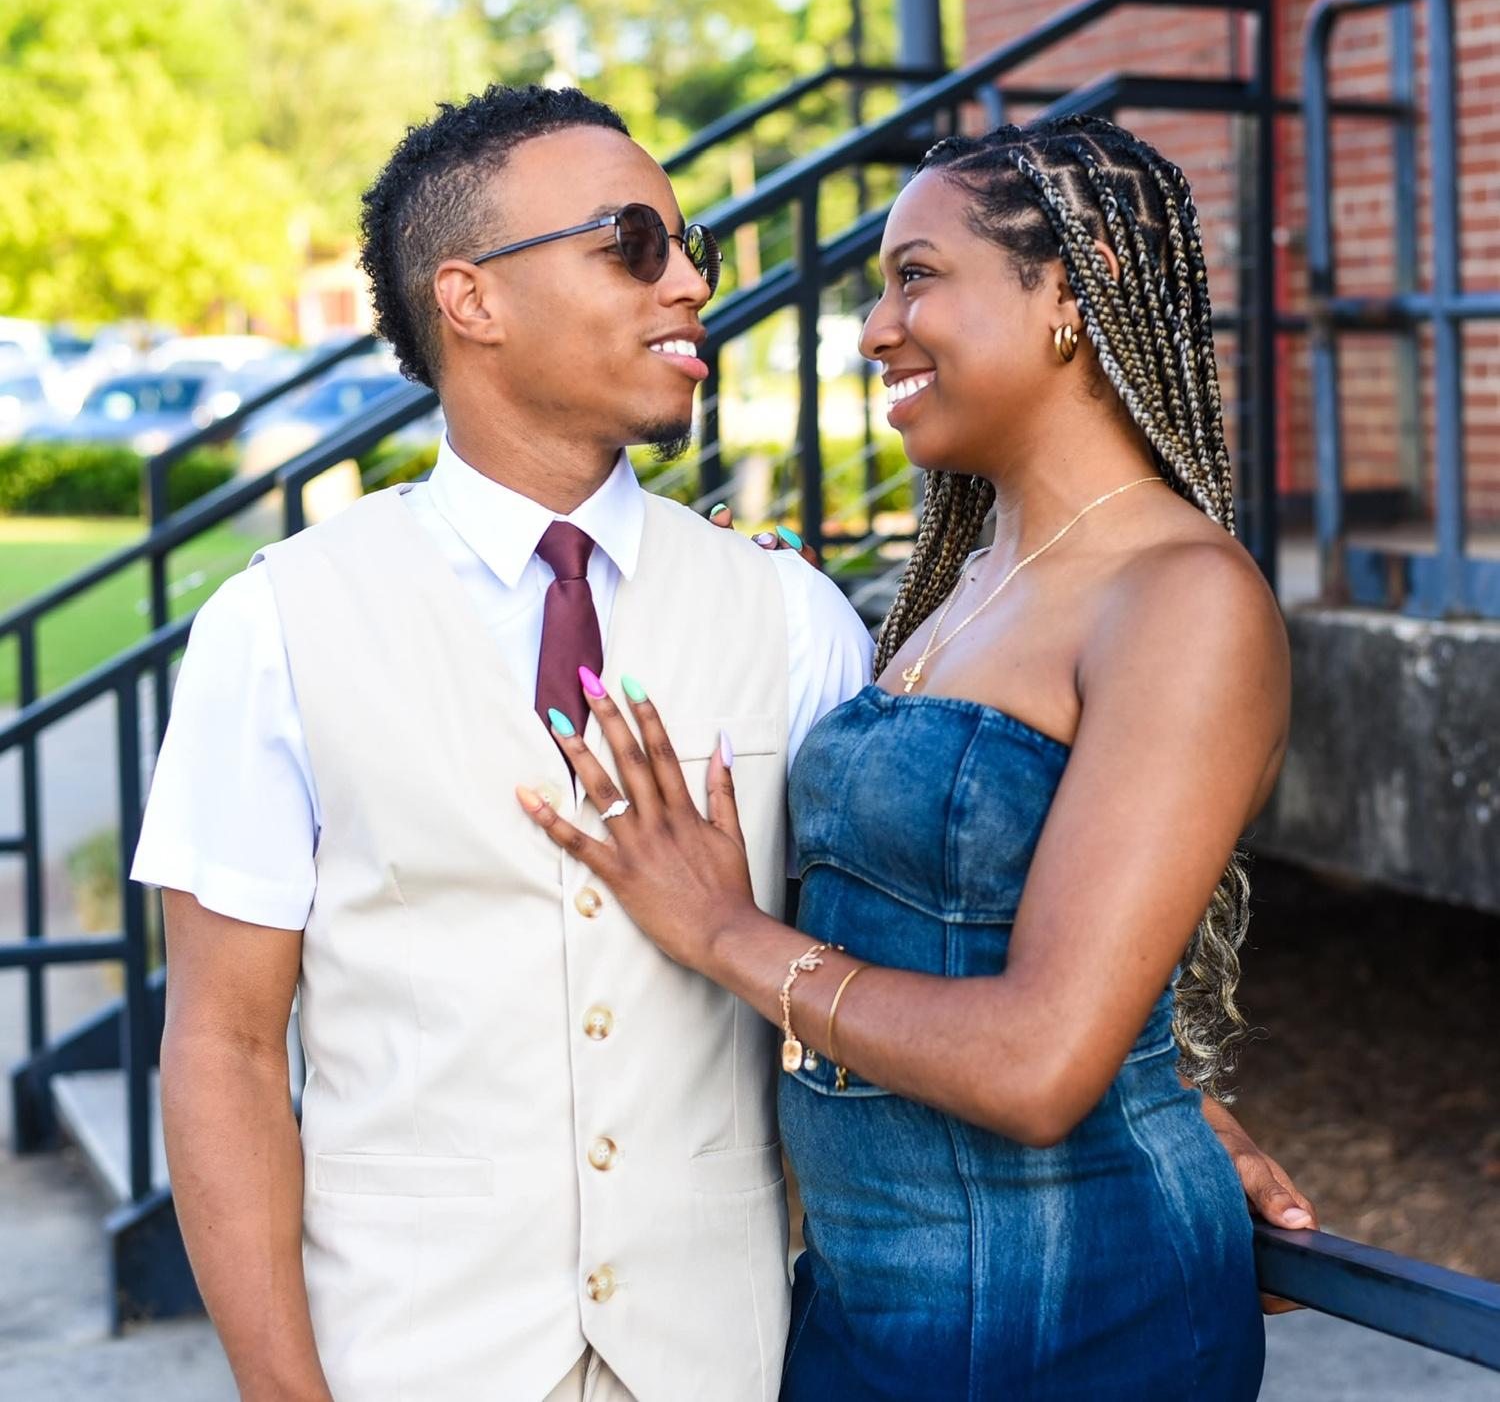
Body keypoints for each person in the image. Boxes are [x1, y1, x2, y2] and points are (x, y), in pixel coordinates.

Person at [137, 88, 1310, 1402]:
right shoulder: (276, 627)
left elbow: (935, 908)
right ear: (471, 299)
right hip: (408, 1363)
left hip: (733, 1363)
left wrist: (1154, 1098)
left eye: (688, 246)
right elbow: (225, 1048)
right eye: (632, 245)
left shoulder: (795, 614)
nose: (692, 282)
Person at [519, 115, 1294, 1400]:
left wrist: (722, 933)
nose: (877, 329)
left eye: (916, 277)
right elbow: (939, 913)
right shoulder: (960, 588)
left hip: (1076, 1320)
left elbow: (1041, 1065)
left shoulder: (1182, 599)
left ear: (1072, 287)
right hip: (863, 1305)